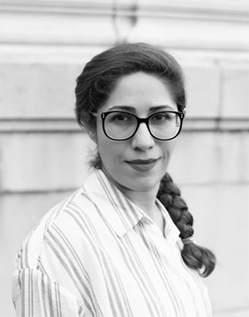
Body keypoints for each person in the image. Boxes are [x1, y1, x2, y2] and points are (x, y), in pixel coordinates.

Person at [12, 42, 216, 317]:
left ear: (179, 121)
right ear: (90, 124)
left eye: (160, 117)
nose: (143, 141)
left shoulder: (168, 224)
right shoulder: (57, 246)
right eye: (121, 118)